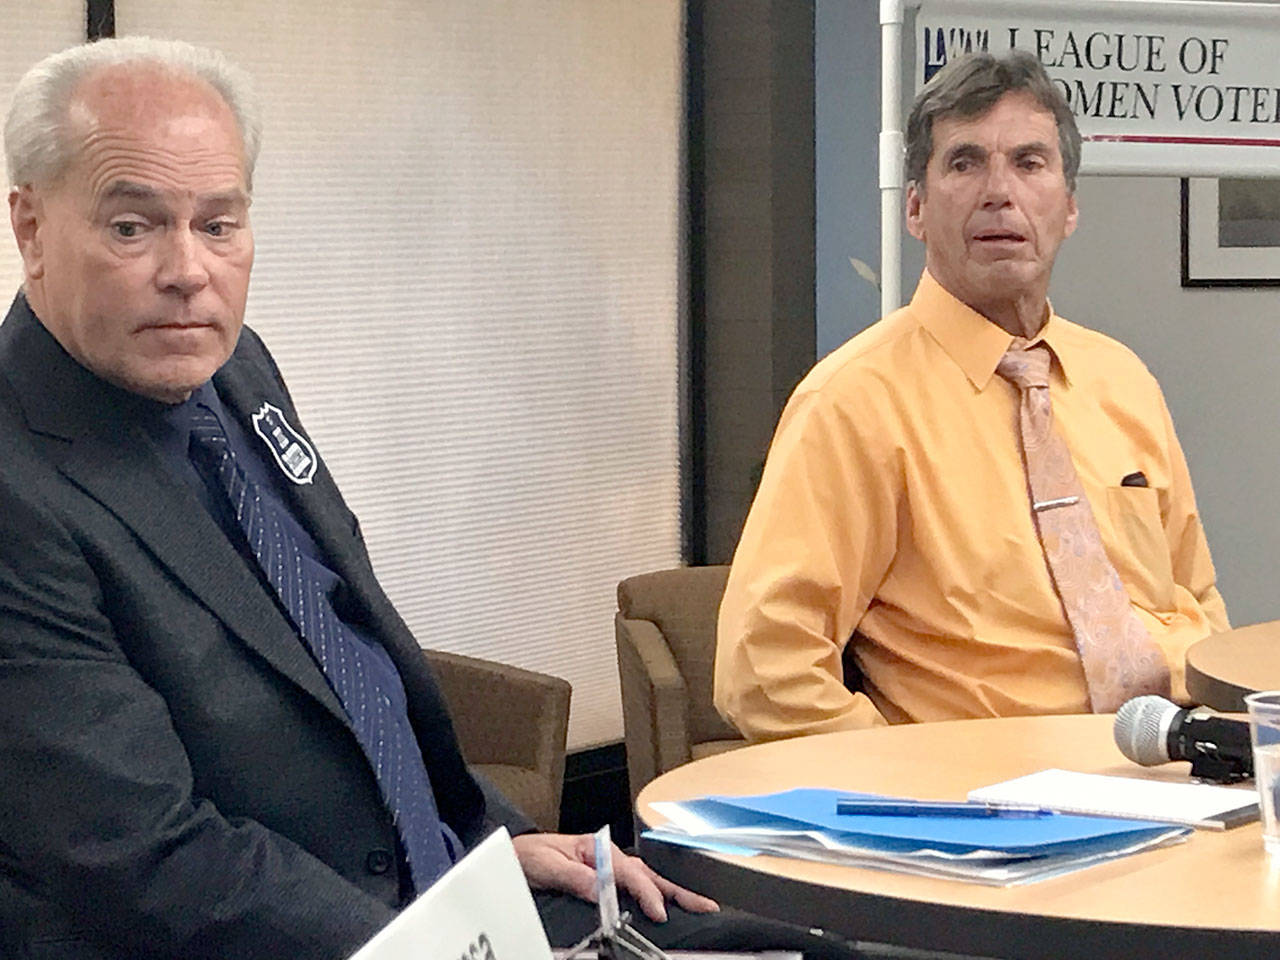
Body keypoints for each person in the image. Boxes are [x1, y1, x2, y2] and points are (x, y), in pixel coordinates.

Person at [0, 38, 856, 960]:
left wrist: (495, 845)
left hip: (445, 881)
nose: (188, 270)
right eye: (133, 227)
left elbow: (348, 650)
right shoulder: (21, 489)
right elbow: (147, 860)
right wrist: (441, 942)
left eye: (218, 224)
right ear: (32, 226)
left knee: (810, 949)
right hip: (319, 936)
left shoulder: (232, 371)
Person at [715, 50, 1229, 742]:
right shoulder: (854, 401)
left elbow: (1196, 600)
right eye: (964, 163)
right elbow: (764, 669)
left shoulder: (1122, 379)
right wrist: (912, 790)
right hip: (985, 801)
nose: (999, 191)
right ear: (917, 210)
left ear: (1070, 207)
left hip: (1169, 756)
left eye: (1029, 162)